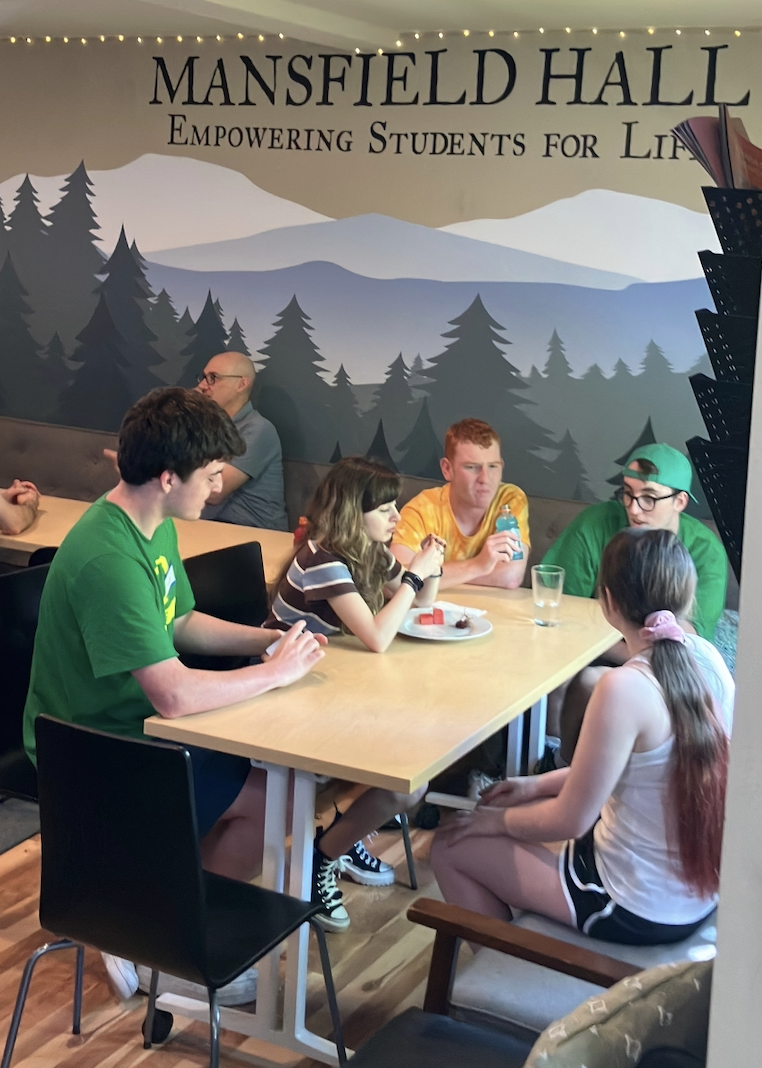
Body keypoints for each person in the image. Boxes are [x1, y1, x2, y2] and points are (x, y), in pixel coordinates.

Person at [23, 388, 326, 1003]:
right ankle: (157, 934)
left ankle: (149, 912)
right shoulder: (108, 556)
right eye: (210, 475)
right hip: (94, 752)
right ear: (168, 477)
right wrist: (275, 674)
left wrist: (271, 640)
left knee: (279, 794)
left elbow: (180, 621)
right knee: (273, 803)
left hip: (135, 731)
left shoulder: (150, 522)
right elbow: (174, 696)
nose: (216, 488)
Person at [431, 528, 734, 946]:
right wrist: (535, 784)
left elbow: (570, 819)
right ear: (686, 595)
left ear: (607, 602)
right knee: (513, 817)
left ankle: (507, 973)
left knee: (449, 845)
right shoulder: (705, 661)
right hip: (696, 892)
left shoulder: (622, 687)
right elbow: (631, 771)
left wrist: (494, 821)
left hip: (636, 905)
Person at [265, 456, 445, 932]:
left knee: (413, 778)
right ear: (352, 511)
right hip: (286, 701)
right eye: (385, 509)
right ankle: (320, 860)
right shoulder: (323, 559)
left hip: (332, 687)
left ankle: (333, 845)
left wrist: (431, 565)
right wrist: (414, 575)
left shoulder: (366, 548)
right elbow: (378, 637)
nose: (396, 517)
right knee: (407, 783)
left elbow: (421, 603)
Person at [542, 443, 728, 765]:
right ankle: (550, 760)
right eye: (627, 493)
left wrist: (614, 644)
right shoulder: (596, 523)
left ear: (680, 501)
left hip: (669, 663)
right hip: (588, 650)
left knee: (591, 683)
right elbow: (560, 607)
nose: (635, 509)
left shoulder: (705, 550)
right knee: (559, 677)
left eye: (649, 497)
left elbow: (685, 641)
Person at [391, 418, 529, 589]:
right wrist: (479, 565)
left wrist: (428, 574)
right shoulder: (423, 508)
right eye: (472, 467)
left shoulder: (509, 500)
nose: (485, 479)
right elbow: (395, 581)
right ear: (447, 469)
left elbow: (510, 576)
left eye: (493, 467)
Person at [196, 350, 288, 530]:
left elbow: (215, 491)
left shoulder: (258, 429)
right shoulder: (204, 425)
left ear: (242, 384)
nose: (202, 385)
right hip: (210, 528)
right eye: (204, 377)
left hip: (253, 533)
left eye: (213, 378)